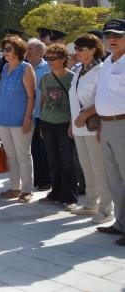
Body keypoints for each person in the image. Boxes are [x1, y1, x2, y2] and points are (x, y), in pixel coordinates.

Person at [68, 34, 113, 224]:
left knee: (99, 170)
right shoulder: (79, 69)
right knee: (86, 168)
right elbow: (74, 99)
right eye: (76, 48)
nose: (76, 52)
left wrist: (85, 115)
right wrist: (72, 122)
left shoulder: (102, 71)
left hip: (94, 127)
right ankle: (91, 204)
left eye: (81, 49)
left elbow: (103, 99)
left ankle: (106, 210)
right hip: (78, 127)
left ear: (93, 50)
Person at [94, 18, 125, 245]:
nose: (112, 40)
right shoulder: (107, 62)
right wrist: (101, 124)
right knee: (114, 178)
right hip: (107, 125)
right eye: (108, 36)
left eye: (117, 36)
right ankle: (121, 223)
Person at [0, 35, 37, 203]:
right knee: (10, 156)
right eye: (3, 49)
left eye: (8, 49)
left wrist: (27, 118)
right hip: (3, 119)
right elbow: (1, 95)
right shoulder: (5, 68)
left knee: (23, 155)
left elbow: (31, 96)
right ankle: (14, 187)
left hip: (21, 120)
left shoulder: (26, 68)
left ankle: (27, 190)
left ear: (18, 51)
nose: (4, 52)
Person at [37, 43, 77, 210]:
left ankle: (70, 197)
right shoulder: (45, 78)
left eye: (54, 58)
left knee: (67, 161)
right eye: (48, 58)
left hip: (65, 124)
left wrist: (72, 125)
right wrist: (40, 123)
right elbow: (43, 100)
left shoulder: (72, 77)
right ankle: (55, 192)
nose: (50, 61)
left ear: (63, 59)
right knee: (52, 159)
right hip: (48, 123)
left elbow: (76, 103)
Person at [27, 38, 52, 191]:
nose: (27, 52)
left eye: (30, 49)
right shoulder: (26, 67)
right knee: (33, 148)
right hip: (30, 114)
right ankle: (37, 178)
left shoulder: (47, 68)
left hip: (44, 114)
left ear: (40, 52)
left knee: (44, 148)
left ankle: (46, 180)